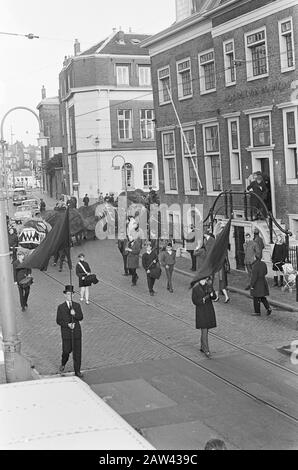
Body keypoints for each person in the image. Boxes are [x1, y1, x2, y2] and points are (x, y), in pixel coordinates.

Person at [56, 285, 84, 378]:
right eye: (68, 294)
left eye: (71, 294)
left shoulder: (77, 305)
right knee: (66, 351)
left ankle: (77, 371)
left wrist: (74, 314)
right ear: (65, 295)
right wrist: (67, 325)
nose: (69, 296)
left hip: (76, 333)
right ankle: (63, 363)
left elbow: (80, 317)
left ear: (73, 295)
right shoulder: (61, 307)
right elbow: (58, 320)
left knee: (77, 353)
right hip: (66, 334)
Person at [192, 278, 217, 358]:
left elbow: (214, 297)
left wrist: (213, 295)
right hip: (201, 311)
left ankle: (203, 347)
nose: (204, 280)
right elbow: (194, 301)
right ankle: (206, 350)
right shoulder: (195, 288)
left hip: (209, 311)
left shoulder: (209, 286)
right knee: (204, 330)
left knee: (205, 330)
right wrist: (202, 300)